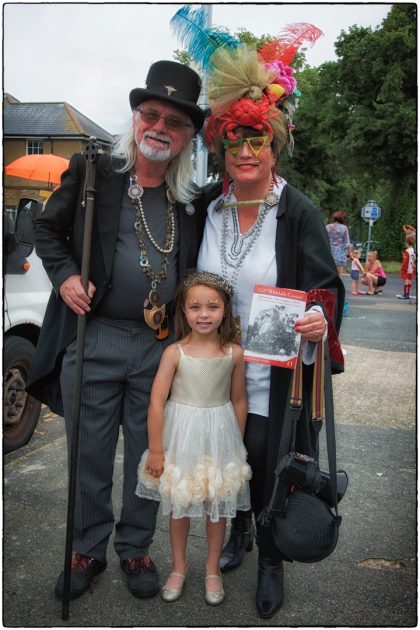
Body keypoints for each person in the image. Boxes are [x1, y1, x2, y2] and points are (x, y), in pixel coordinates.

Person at [26, 60, 208, 600]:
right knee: (90, 451)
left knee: (153, 455)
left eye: (175, 123)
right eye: (151, 114)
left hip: (161, 347)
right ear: (135, 119)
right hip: (95, 336)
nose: (160, 127)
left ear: (187, 137)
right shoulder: (93, 174)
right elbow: (46, 229)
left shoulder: (190, 202)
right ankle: (87, 548)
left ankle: (135, 548)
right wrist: (64, 277)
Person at [195, 42, 345, 618]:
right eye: (235, 139)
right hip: (216, 370)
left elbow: (327, 289)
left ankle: (272, 557)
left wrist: (318, 319)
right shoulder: (207, 207)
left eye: (257, 139)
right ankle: (238, 533)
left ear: (273, 143)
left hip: (273, 378)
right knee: (226, 459)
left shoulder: (297, 210)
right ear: (222, 144)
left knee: (269, 460)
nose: (246, 151)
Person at [136, 271, 250, 605]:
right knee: (180, 504)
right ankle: (179, 567)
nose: (204, 314)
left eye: (212, 307)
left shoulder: (234, 354)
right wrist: (156, 449)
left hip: (220, 434)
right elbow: (157, 401)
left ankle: (212, 569)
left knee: (217, 504)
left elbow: (239, 400)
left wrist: (236, 446)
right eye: (195, 307)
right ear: (183, 312)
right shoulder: (174, 352)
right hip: (182, 435)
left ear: (224, 311)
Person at [325, 211, 353, 275]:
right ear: (343, 219)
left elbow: (324, 240)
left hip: (328, 254)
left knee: (328, 275)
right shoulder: (344, 228)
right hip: (339, 255)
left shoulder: (327, 227)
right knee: (338, 276)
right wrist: (350, 254)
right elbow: (347, 243)